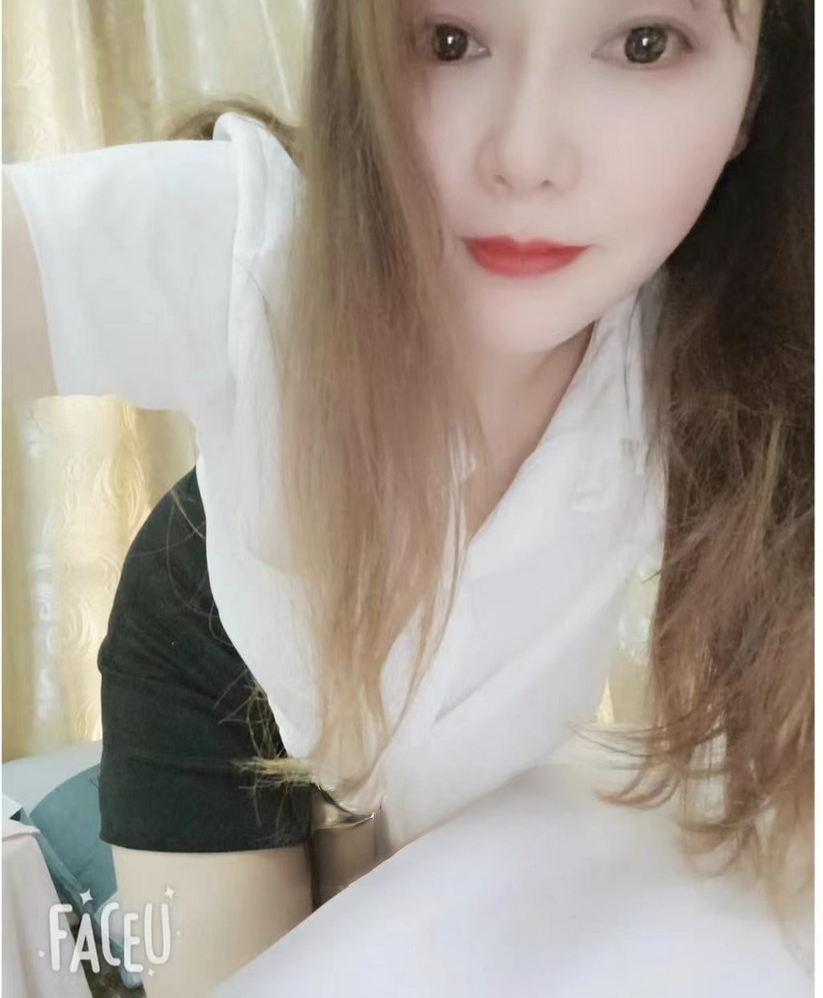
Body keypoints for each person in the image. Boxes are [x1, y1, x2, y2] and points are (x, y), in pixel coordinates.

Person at [3, 0, 812, 993]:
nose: (525, 157)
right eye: (449, 40)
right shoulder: (259, 246)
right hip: (214, 647)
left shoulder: (723, 349)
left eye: (643, 45)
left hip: (430, 743)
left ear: (754, 96)